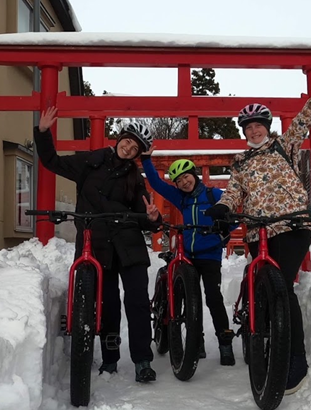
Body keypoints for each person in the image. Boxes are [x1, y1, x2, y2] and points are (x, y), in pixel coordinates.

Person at [207, 56, 311, 395]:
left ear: (267, 126)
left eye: (258, 125)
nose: (254, 130)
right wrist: (222, 208)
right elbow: (233, 193)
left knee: (283, 289)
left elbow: (310, 114)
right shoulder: (239, 163)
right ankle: (262, 339)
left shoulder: (285, 144)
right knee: (264, 287)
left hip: (290, 227)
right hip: (257, 231)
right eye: (248, 127)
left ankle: (295, 358)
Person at [35, 109, 162, 383]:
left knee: (137, 301)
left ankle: (142, 360)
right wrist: (43, 132)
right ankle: (110, 357)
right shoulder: (90, 162)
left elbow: (146, 215)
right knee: (107, 303)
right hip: (96, 244)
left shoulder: (134, 179)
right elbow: (51, 161)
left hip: (129, 246)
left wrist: (153, 219)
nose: (128, 149)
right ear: (120, 138)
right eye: (127, 141)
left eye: (135, 148)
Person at [142, 156, 235, 366]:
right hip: (188, 257)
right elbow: (156, 184)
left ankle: (225, 342)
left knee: (213, 297)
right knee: (187, 299)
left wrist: (223, 232)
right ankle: (197, 341)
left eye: (186, 177)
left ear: (194, 175)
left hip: (210, 255)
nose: (184, 182)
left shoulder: (214, 195)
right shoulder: (181, 198)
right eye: (179, 181)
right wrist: (146, 159)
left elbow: (235, 214)